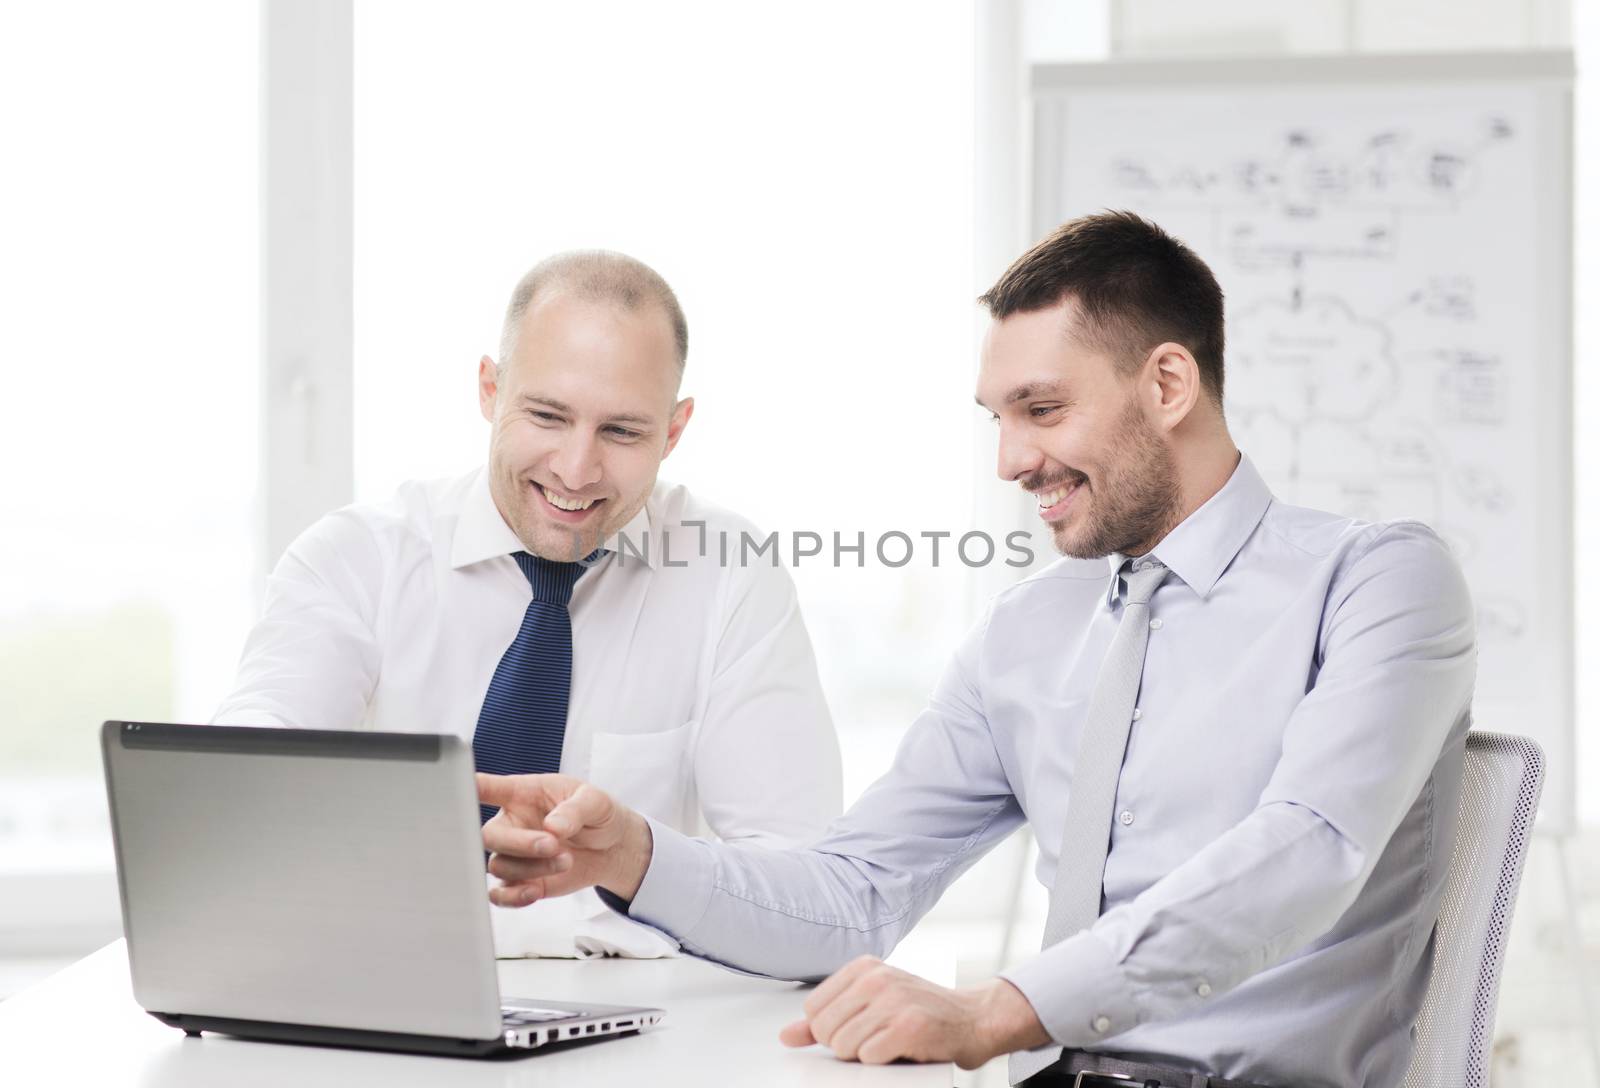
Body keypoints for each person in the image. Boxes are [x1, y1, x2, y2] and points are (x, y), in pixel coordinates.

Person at [474, 213, 1476, 1087]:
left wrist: (998, 1009)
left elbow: (1305, 853)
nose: (1010, 460)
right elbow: (852, 894)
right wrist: (637, 855)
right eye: (998, 419)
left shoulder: (1377, 581)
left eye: (1042, 409)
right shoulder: (1026, 630)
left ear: (1167, 381)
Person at [215, 250, 842, 957]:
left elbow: (807, 897)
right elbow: (247, 790)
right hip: (387, 994)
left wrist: (636, 858)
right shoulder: (358, 559)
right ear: (489, 389)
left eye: (622, 431)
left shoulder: (729, 575)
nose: (576, 470)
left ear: (674, 430)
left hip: (637, 1038)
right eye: (547, 415)